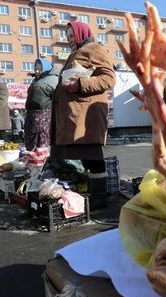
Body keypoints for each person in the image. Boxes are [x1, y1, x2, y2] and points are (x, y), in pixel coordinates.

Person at [50, 21, 115, 210]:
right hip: (76, 114)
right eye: (68, 37)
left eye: (72, 36)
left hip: (87, 117)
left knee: (93, 158)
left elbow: (108, 78)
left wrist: (79, 84)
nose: (70, 40)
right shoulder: (77, 52)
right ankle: (92, 195)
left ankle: (99, 198)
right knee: (86, 158)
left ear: (82, 33)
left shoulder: (94, 49)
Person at [24, 58, 59, 150]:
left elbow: (58, 99)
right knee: (31, 141)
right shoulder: (36, 80)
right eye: (35, 68)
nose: (37, 71)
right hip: (31, 116)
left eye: (39, 69)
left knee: (41, 142)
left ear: (46, 68)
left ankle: (44, 162)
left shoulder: (54, 80)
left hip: (44, 117)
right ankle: (32, 161)